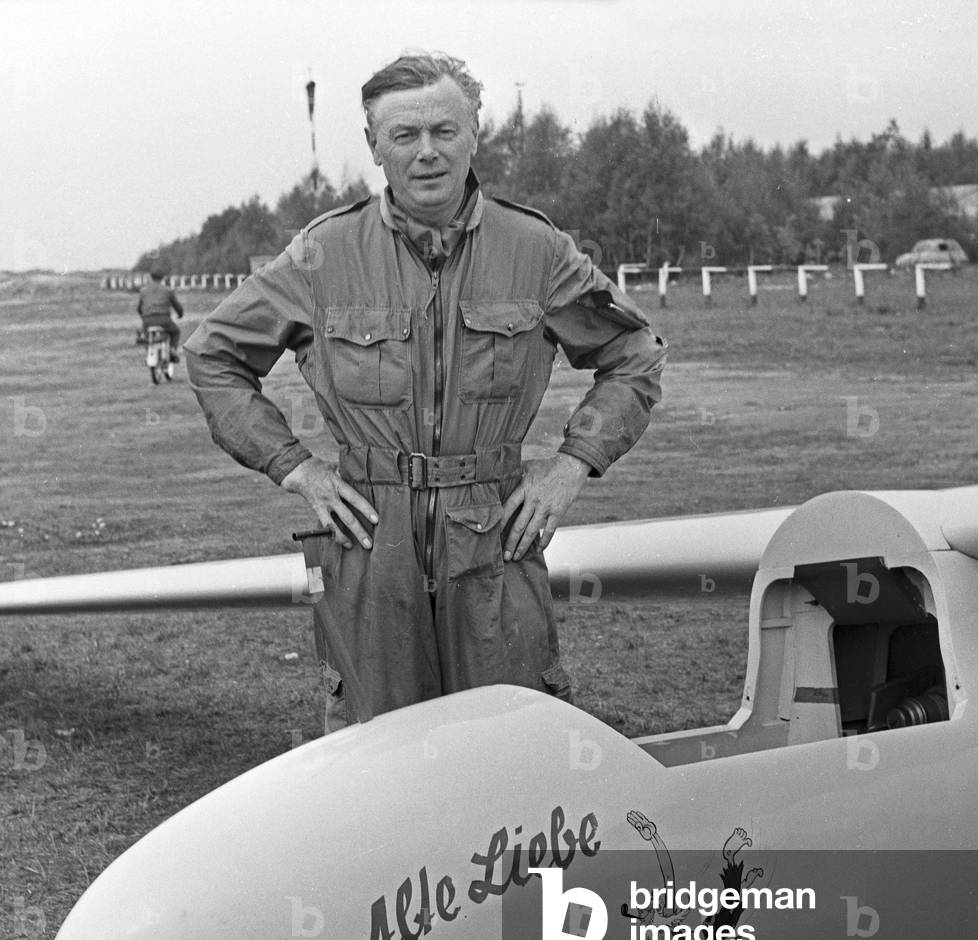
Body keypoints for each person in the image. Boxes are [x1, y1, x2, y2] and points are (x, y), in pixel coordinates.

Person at [185, 51, 666, 731]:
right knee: (375, 756)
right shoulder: (324, 254)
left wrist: (570, 468)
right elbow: (212, 354)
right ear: (375, 147)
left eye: (445, 131)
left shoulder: (536, 249)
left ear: (476, 132)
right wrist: (297, 469)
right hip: (368, 540)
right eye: (404, 136)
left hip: (493, 535)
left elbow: (635, 353)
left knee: (511, 740)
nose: (427, 153)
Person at [137, 268, 184, 361]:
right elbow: (177, 306)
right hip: (164, 320)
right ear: (163, 278)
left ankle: (148, 351)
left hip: (147, 320)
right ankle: (172, 349)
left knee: (145, 335)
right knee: (176, 332)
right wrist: (180, 314)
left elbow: (139, 308)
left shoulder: (143, 291)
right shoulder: (167, 290)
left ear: (150, 277)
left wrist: (143, 316)